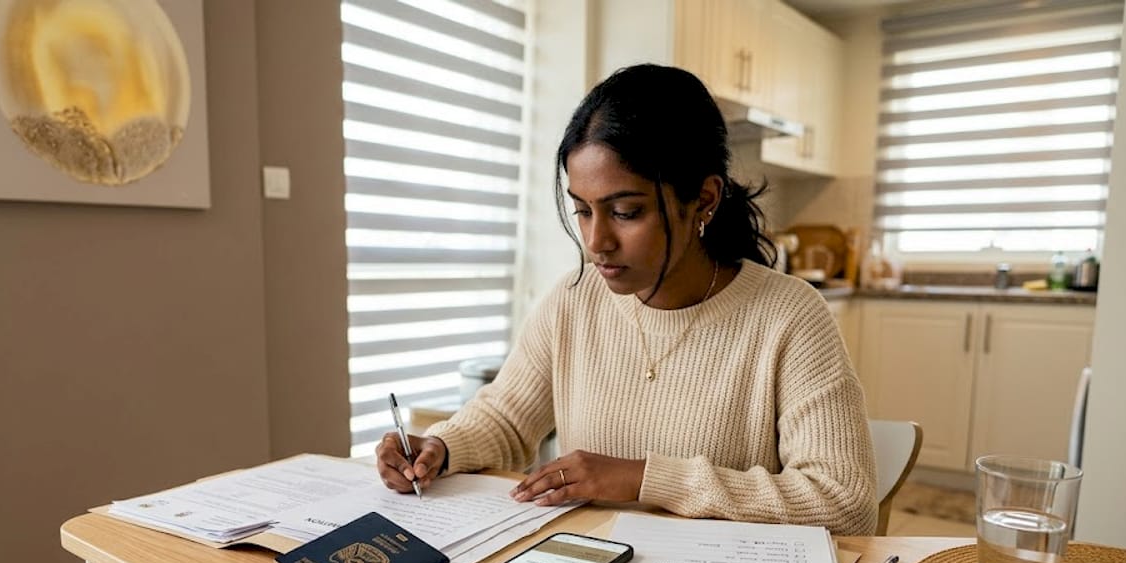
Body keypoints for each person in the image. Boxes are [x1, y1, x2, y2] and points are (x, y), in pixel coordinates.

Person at [376, 64, 877, 536]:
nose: (597, 242)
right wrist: (441, 447)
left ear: (703, 199)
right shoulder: (575, 300)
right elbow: (506, 419)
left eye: (626, 211)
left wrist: (644, 479)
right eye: (583, 212)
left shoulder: (790, 315)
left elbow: (843, 502)